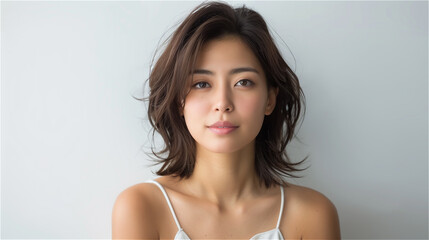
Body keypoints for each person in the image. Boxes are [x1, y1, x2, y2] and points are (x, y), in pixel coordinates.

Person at [112, 2, 341, 239]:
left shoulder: (312, 215)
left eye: (243, 82)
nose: (222, 103)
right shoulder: (141, 207)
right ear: (179, 101)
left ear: (270, 100)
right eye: (201, 84)